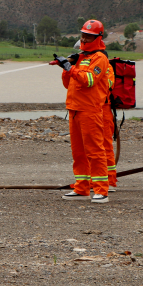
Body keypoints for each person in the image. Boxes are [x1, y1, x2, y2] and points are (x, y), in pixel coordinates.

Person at [54, 20, 112, 203]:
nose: (85, 39)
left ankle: (101, 190)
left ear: (98, 38)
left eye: (89, 36)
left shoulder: (100, 58)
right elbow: (68, 84)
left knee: (95, 151)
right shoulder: (81, 58)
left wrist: (70, 68)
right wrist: (66, 68)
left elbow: (89, 80)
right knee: (78, 153)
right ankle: (81, 188)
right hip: (74, 109)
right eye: (83, 35)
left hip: (90, 110)